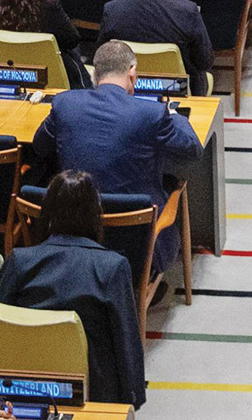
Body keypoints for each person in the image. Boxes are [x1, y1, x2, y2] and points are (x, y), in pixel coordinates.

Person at [25, 39, 202, 272]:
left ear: (95, 75)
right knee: (174, 184)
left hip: (74, 233)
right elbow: (193, 150)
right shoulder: (152, 113)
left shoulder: (65, 103)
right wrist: (175, 115)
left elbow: (39, 147)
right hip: (136, 247)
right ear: (132, 74)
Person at [0, 170, 145, 407]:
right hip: (94, 394)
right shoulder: (113, 267)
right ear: (96, 214)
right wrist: (132, 401)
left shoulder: (18, 262)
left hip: (25, 390)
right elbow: (127, 345)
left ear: (47, 212)